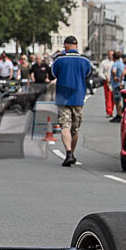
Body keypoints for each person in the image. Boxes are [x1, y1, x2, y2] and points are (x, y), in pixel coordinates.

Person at [51, 36, 90, 167]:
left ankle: (68, 153)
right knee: (75, 128)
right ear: (76, 45)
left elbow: (54, 74)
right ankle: (71, 153)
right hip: (78, 98)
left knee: (65, 126)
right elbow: (87, 74)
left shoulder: (59, 60)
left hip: (63, 98)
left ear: (66, 45)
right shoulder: (85, 61)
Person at [109, 52, 126, 122]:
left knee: (117, 101)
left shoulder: (115, 64)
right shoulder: (122, 64)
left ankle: (119, 115)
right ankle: (120, 114)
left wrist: (114, 76)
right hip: (121, 83)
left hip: (116, 85)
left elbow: (113, 71)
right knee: (119, 100)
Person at [98, 51, 114, 117]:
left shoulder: (116, 62)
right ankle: (109, 111)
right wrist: (105, 78)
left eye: (112, 55)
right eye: (109, 55)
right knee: (108, 97)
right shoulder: (104, 63)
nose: (111, 56)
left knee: (114, 97)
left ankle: (112, 110)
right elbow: (100, 73)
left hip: (114, 81)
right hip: (107, 81)